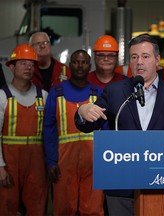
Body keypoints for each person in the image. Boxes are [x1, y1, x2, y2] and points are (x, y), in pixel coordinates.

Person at [74, 34, 164, 216]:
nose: (139, 62)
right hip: (121, 184)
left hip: (161, 185)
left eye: (145, 56)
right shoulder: (114, 92)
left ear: (157, 60)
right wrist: (82, 112)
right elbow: (87, 125)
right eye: (134, 57)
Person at [43, 50, 104, 215]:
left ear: (89, 66)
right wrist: (51, 162)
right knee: (64, 208)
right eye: (76, 62)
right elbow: (48, 129)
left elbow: (106, 129)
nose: (80, 65)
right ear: (70, 65)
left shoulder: (98, 93)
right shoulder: (56, 93)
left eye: (84, 62)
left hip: (94, 163)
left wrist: (105, 160)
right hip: (64, 164)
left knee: (92, 209)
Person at [0, 44, 48, 215]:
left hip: (37, 163)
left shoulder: (43, 96)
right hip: (9, 162)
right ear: (11, 67)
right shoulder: (2, 97)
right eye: (23, 63)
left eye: (31, 64)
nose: (28, 67)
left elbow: (49, 133)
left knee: (37, 204)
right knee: (6, 205)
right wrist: (0, 167)